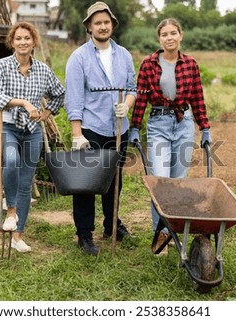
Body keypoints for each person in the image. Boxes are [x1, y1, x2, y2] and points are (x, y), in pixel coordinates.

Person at [129, 18, 212, 255]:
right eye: (164, 34)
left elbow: (197, 97)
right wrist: (135, 127)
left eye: (173, 33)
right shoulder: (148, 64)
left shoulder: (191, 64)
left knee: (178, 182)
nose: (169, 37)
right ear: (159, 39)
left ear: (180, 36)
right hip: (158, 124)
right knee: (160, 181)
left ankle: (175, 232)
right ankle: (161, 233)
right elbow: (142, 97)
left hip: (184, 123)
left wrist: (204, 127)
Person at [65, 1, 137, 255]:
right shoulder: (79, 58)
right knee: (87, 184)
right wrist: (77, 134)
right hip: (92, 128)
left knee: (114, 181)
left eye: (106, 22)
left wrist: (126, 105)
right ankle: (84, 234)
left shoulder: (124, 55)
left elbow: (132, 88)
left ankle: (112, 224)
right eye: (98, 23)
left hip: (119, 128)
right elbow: (74, 97)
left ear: (112, 25)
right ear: (89, 27)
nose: (103, 26)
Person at [0, 22, 65, 252]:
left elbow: (59, 94)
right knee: (10, 162)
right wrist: (22, 102)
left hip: (32, 131)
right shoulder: (2, 66)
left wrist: (47, 112)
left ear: (33, 42)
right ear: (12, 42)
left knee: (25, 182)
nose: (23, 42)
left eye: (27, 38)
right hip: (7, 127)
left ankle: (18, 237)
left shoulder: (42, 70)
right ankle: (11, 211)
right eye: (18, 38)